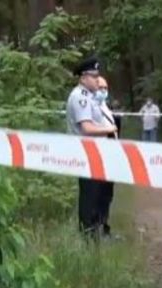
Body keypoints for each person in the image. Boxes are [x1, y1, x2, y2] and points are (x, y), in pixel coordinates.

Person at [65, 57, 117, 237]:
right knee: (90, 196)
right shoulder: (81, 97)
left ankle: (96, 232)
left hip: (96, 153)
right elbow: (87, 128)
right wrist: (109, 129)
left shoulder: (89, 97)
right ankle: (88, 236)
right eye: (94, 76)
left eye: (98, 76)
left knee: (98, 195)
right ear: (83, 78)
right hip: (86, 154)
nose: (97, 80)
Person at [94, 76, 118, 237]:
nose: (103, 91)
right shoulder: (93, 108)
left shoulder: (105, 107)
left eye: (105, 88)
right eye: (100, 88)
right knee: (99, 193)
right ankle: (97, 227)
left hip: (110, 155)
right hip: (99, 154)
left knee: (107, 193)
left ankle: (104, 226)